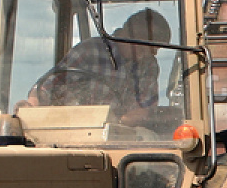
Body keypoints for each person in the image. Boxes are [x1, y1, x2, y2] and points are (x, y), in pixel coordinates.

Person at [21, 9, 173, 127]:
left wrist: (121, 122)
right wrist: (31, 106)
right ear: (128, 34)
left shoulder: (148, 65)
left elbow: (145, 109)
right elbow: (47, 87)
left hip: (124, 137)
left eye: (155, 51)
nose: (149, 55)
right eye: (146, 48)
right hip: (76, 130)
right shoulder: (90, 51)